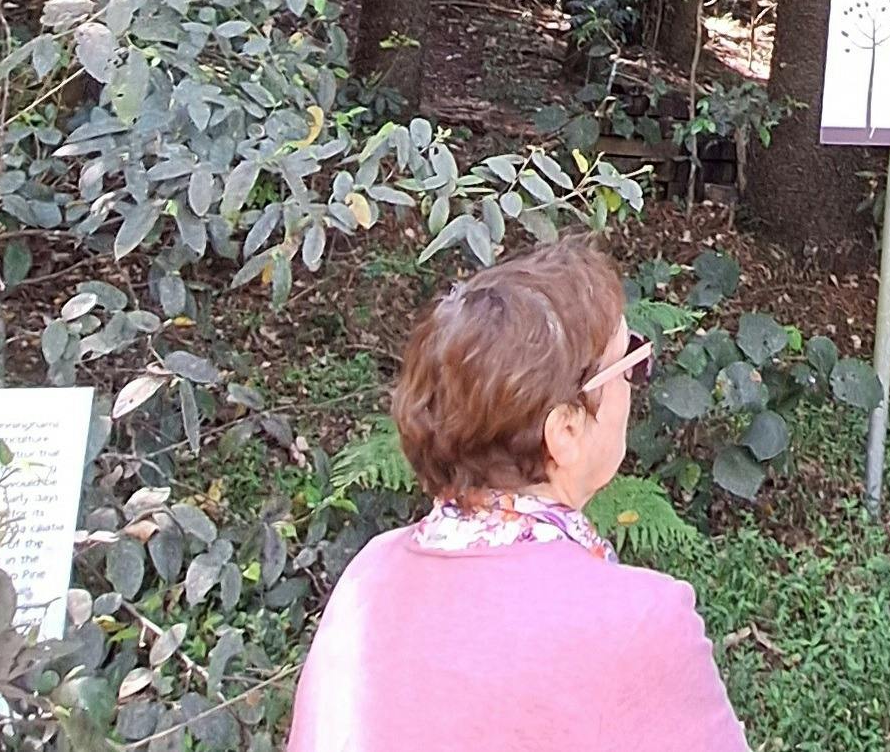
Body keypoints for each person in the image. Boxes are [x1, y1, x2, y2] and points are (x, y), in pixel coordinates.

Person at [287, 238, 747, 752]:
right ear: (566, 430)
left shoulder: (366, 579)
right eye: (629, 365)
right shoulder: (639, 624)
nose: (636, 384)